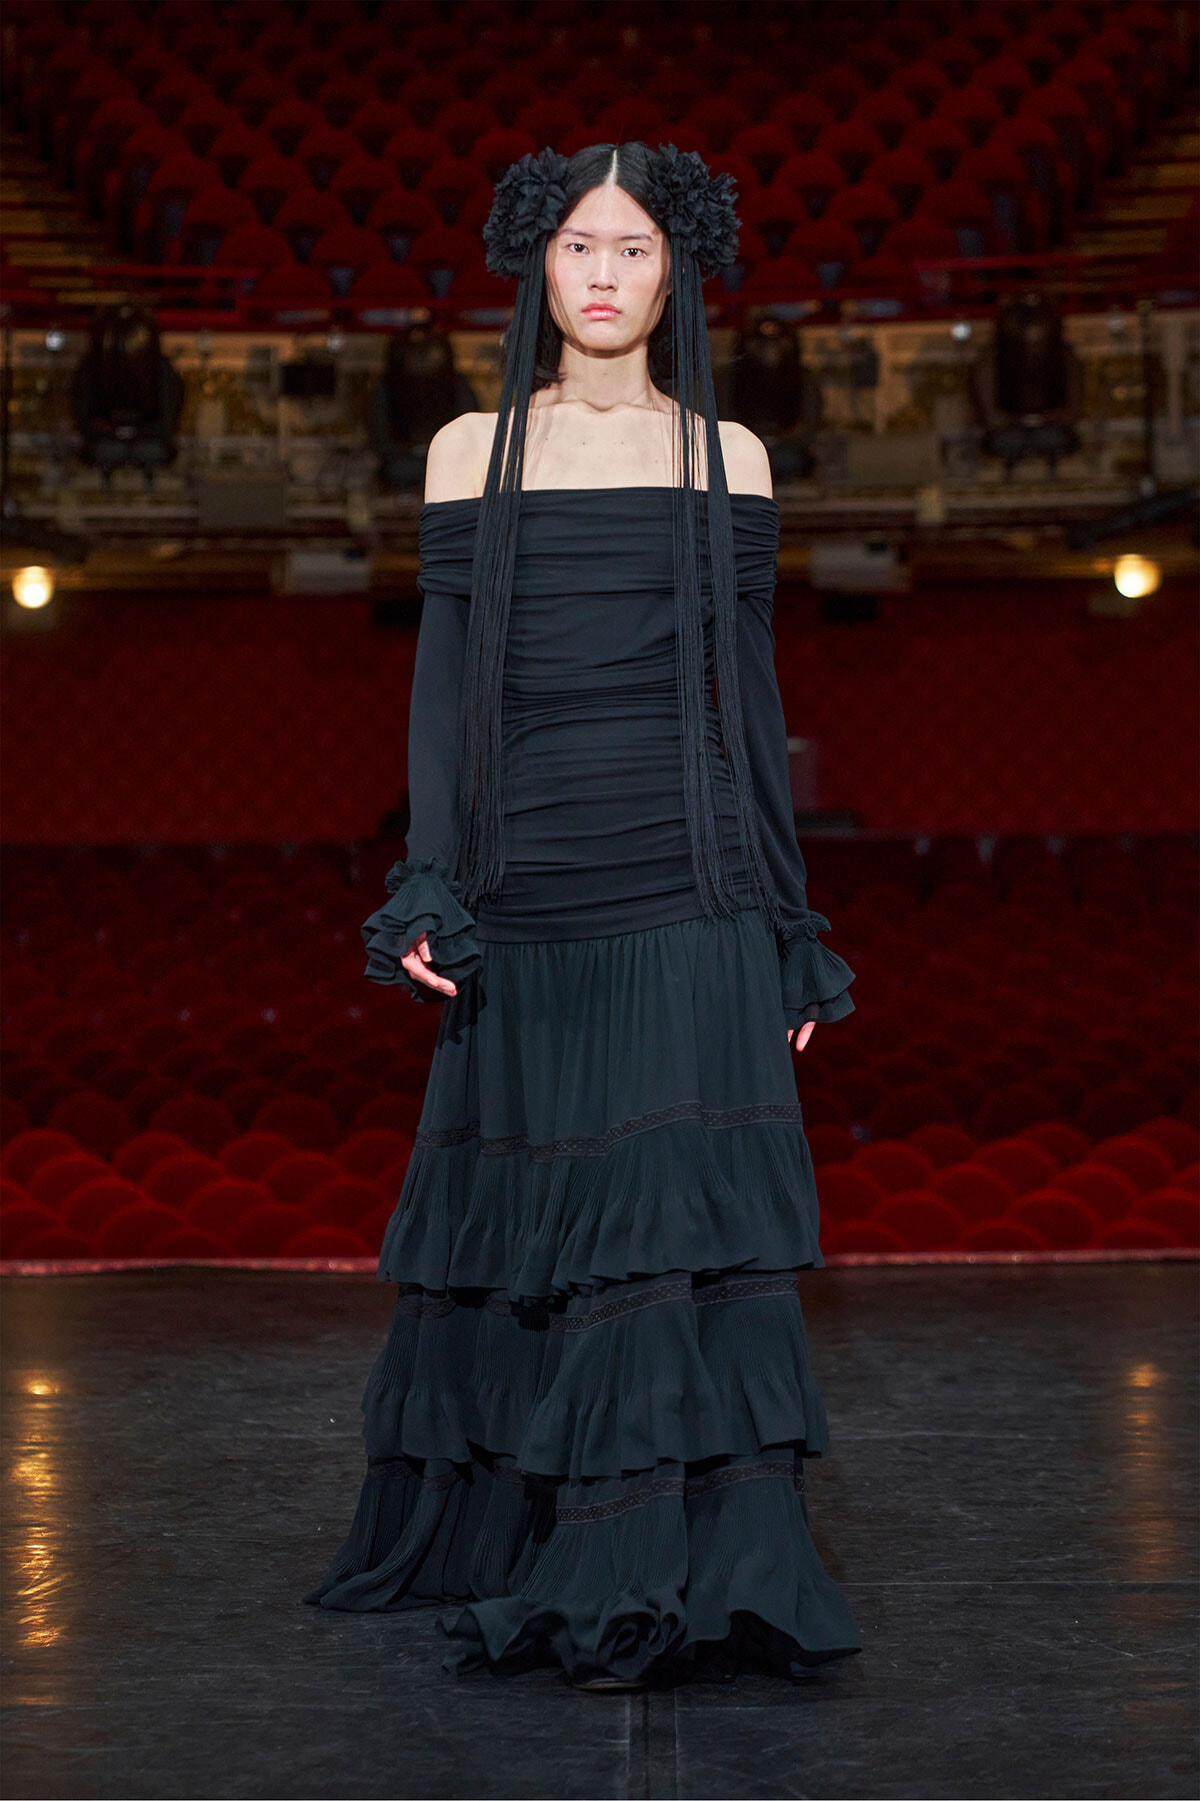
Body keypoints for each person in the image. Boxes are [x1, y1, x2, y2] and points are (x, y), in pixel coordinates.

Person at [303, 143, 863, 1694]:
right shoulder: (467, 449)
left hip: (688, 879)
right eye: (575, 246)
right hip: (530, 881)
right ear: (534, 270)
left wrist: (784, 915)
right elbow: (440, 705)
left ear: (676, 272)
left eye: (632, 247)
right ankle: (542, 1539)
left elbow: (747, 709)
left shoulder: (730, 457)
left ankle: (674, 1566)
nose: (604, 272)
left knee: (663, 1238)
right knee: (544, 1244)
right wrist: (430, 875)